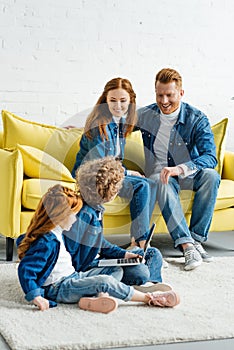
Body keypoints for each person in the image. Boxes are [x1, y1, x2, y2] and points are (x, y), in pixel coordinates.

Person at [17, 157, 180, 313]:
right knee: (132, 273)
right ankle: (145, 295)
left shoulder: (92, 211)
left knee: (150, 254)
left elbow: (97, 243)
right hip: (81, 270)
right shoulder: (81, 217)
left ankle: (138, 286)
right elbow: (37, 262)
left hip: (81, 269)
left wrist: (123, 254)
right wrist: (36, 296)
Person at [136, 68, 221, 271]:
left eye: (169, 95)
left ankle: (196, 239)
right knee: (161, 179)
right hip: (161, 175)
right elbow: (116, 127)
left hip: (188, 172)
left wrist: (181, 168)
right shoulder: (147, 115)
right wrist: (84, 129)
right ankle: (187, 245)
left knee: (211, 176)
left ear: (181, 93)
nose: (164, 101)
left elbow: (210, 157)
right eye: (160, 95)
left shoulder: (196, 119)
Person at [71, 77, 157, 249]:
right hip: (94, 177)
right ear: (105, 101)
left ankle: (137, 241)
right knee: (141, 185)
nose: (118, 106)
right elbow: (100, 166)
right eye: (113, 100)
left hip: (111, 176)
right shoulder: (99, 125)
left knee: (152, 184)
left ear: (130, 101)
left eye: (123, 101)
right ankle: (141, 245)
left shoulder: (122, 122)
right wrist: (127, 173)